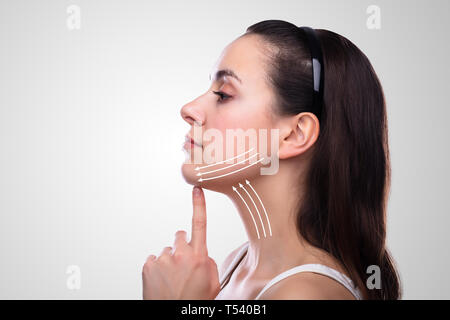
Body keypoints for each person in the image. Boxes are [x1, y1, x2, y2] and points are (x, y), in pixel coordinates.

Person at [142, 19, 402, 300]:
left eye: (224, 94)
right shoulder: (236, 265)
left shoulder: (304, 294)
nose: (189, 108)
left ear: (294, 134)